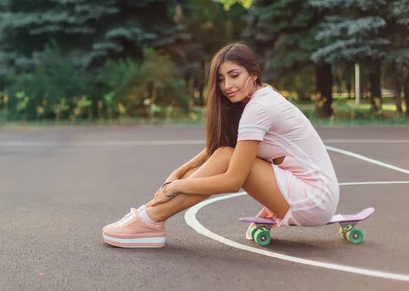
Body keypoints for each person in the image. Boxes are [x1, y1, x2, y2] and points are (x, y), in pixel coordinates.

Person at [102, 43, 340, 248]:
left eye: (234, 75)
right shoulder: (259, 99)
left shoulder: (259, 108)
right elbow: (219, 148)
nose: (226, 85)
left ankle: (151, 218)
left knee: (227, 158)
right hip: (311, 194)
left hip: (314, 199)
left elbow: (232, 181)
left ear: (253, 74)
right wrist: (179, 172)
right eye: (221, 79)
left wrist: (177, 186)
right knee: (225, 154)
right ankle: (150, 215)